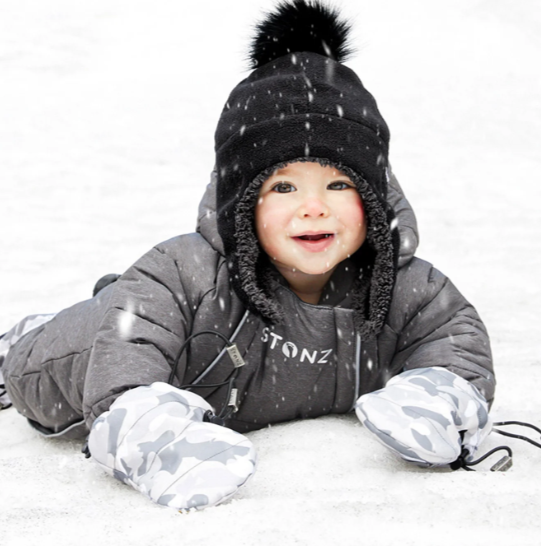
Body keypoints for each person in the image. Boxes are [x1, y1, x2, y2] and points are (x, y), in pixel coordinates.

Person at [0, 0, 495, 510]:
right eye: (282, 187)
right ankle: (23, 333)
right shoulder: (177, 276)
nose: (313, 208)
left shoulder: (408, 288)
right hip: (85, 351)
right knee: (51, 354)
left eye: (338, 183)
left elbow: (451, 338)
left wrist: (441, 394)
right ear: (241, 202)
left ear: (374, 195)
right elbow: (127, 356)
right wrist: (147, 427)